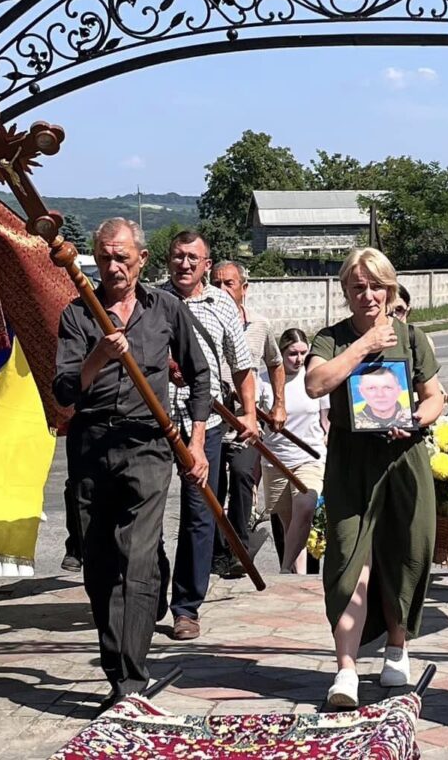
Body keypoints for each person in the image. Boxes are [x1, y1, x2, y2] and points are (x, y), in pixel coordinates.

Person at [53, 218, 212, 698]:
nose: (114, 267)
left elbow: (201, 378)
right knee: (98, 564)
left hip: (148, 445)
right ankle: (116, 667)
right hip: (91, 446)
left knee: (136, 558)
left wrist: (198, 442)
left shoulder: (165, 309)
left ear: (142, 259)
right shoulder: (77, 314)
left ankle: (130, 681)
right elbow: (63, 391)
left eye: (122, 257)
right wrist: (99, 355)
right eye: (105, 258)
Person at [306, 247, 444, 709]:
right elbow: (316, 383)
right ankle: (345, 670)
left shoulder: (413, 337)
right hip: (351, 460)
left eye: (376, 285)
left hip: (404, 457)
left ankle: (397, 648)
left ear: (390, 287)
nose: (367, 294)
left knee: (406, 553)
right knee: (347, 559)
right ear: (345, 291)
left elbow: (434, 397)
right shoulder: (331, 338)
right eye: (357, 286)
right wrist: (364, 346)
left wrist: (419, 420)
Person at [156, 231, 258, 642]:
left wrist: (249, 413)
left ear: (206, 264)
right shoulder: (150, 302)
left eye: (192, 258)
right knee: (148, 516)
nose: (184, 264)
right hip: (157, 423)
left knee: (200, 515)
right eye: (178, 256)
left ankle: (186, 607)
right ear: (167, 260)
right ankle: (151, 590)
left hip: (207, 425)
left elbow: (242, 365)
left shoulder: (222, 306)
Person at [211, 260, 285, 579]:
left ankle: (239, 548)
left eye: (229, 283)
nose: (222, 290)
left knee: (242, 474)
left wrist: (279, 404)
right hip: (211, 420)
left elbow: (276, 363)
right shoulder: (202, 322)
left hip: (247, 420)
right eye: (216, 283)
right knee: (212, 486)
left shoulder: (260, 325)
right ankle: (216, 551)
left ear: (244, 287)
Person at [265, 328, 328, 574]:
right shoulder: (264, 380)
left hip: (309, 457)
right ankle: (297, 577)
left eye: (303, 353)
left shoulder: (313, 379)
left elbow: (327, 422)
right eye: (292, 353)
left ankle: (283, 571)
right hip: (276, 461)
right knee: (292, 526)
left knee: (306, 506)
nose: (299, 359)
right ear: (281, 354)